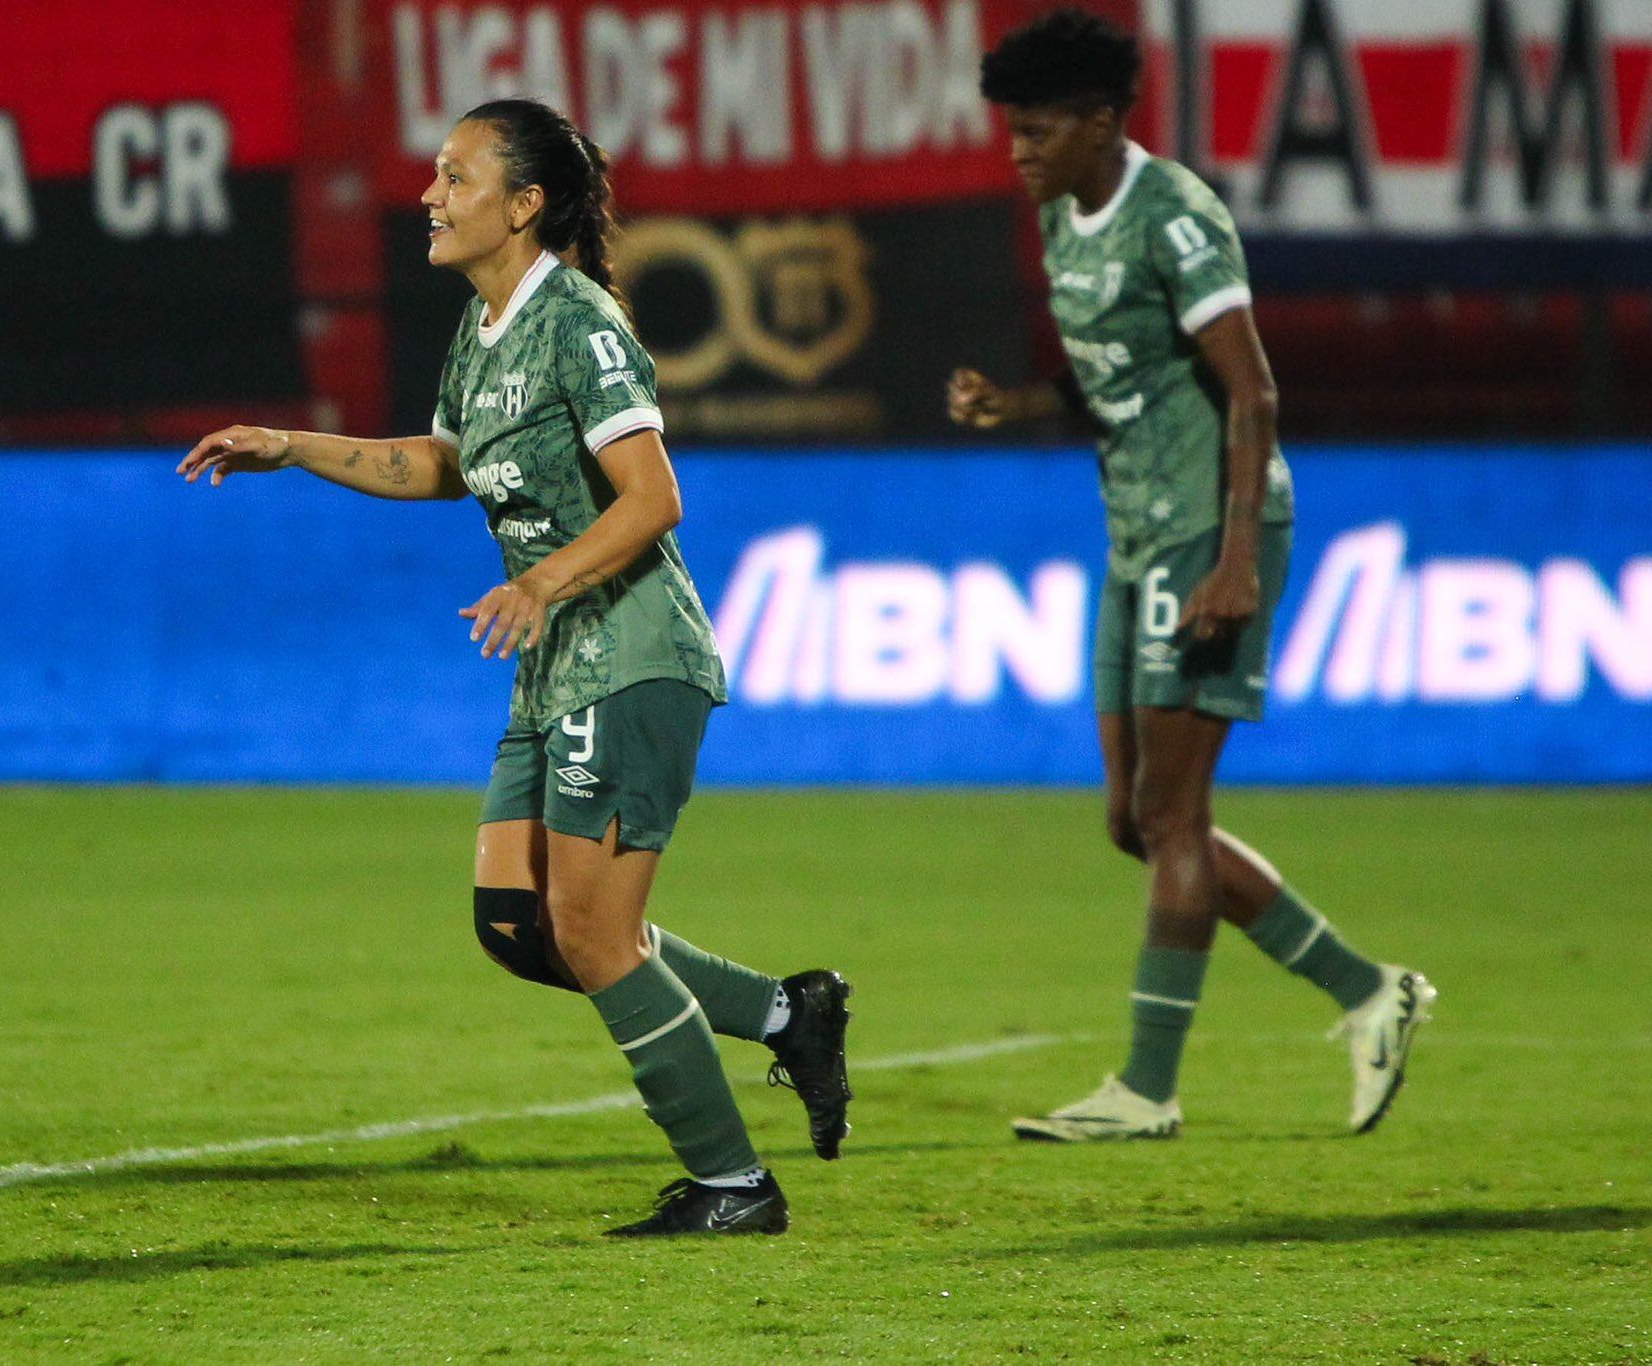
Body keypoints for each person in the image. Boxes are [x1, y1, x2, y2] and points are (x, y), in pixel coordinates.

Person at [177, 98, 852, 1233]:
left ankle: (734, 1186)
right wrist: (289, 447)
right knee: (518, 924)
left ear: (524, 204)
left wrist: (540, 581)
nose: (429, 197)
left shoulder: (576, 319)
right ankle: (787, 1013)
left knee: (592, 932)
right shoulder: (483, 326)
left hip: (630, 652)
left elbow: (653, 497)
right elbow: (438, 464)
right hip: (555, 666)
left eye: (454, 177)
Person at [950, 10, 1434, 1141]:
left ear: (1101, 122)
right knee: (1133, 818)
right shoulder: (1063, 217)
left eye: (1035, 131)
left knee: (1172, 809)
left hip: (1208, 535)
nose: (1016, 151)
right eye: (1010, 132)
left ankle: (1146, 1090)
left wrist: (1231, 564)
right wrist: (1011, 404)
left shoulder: (1173, 217)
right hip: (1132, 533)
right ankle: (1368, 988)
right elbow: (1113, 381)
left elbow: (1251, 391)